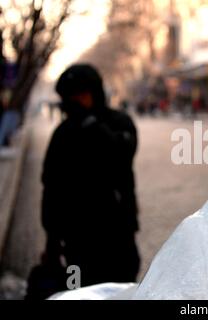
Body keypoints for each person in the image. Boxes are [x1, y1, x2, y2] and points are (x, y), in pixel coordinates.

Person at [40, 64, 140, 289]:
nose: (76, 101)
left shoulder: (119, 123)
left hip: (117, 236)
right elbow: (51, 186)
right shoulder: (63, 133)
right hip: (76, 241)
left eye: (81, 95)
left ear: (95, 93)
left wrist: (90, 124)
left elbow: (121, 155)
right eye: (71, 96)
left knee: (120, 292)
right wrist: (52, 241)